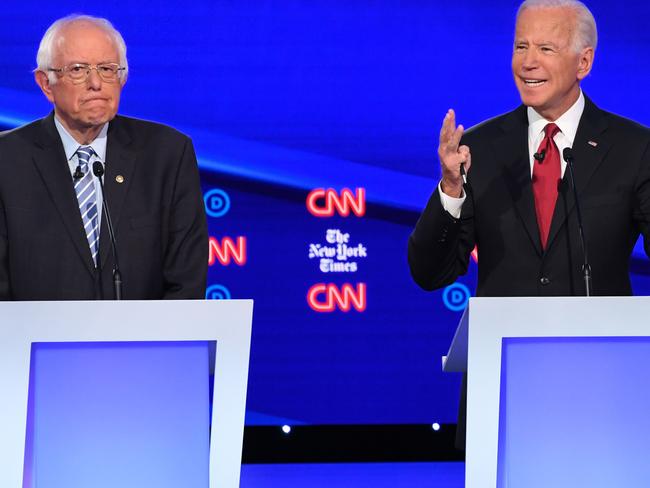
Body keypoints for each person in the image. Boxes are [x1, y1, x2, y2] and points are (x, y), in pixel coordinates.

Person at [408, 0, 650, 446]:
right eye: (520, 46)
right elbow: (430, 271)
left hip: (603, 388)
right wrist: (450, 189)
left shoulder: (634, 148)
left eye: (545, 48)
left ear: (584, 61)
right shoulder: (478, 148)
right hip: (502, 391)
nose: (528, 62)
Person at [0, 15, 208, 300]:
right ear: (46, 83)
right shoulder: (7, 160)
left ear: (122, 78)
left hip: (144, 342)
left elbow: (186, 282)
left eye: (108, 69)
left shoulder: (167, 155)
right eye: (77, 69)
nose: (96, 83)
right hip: (33, 342)